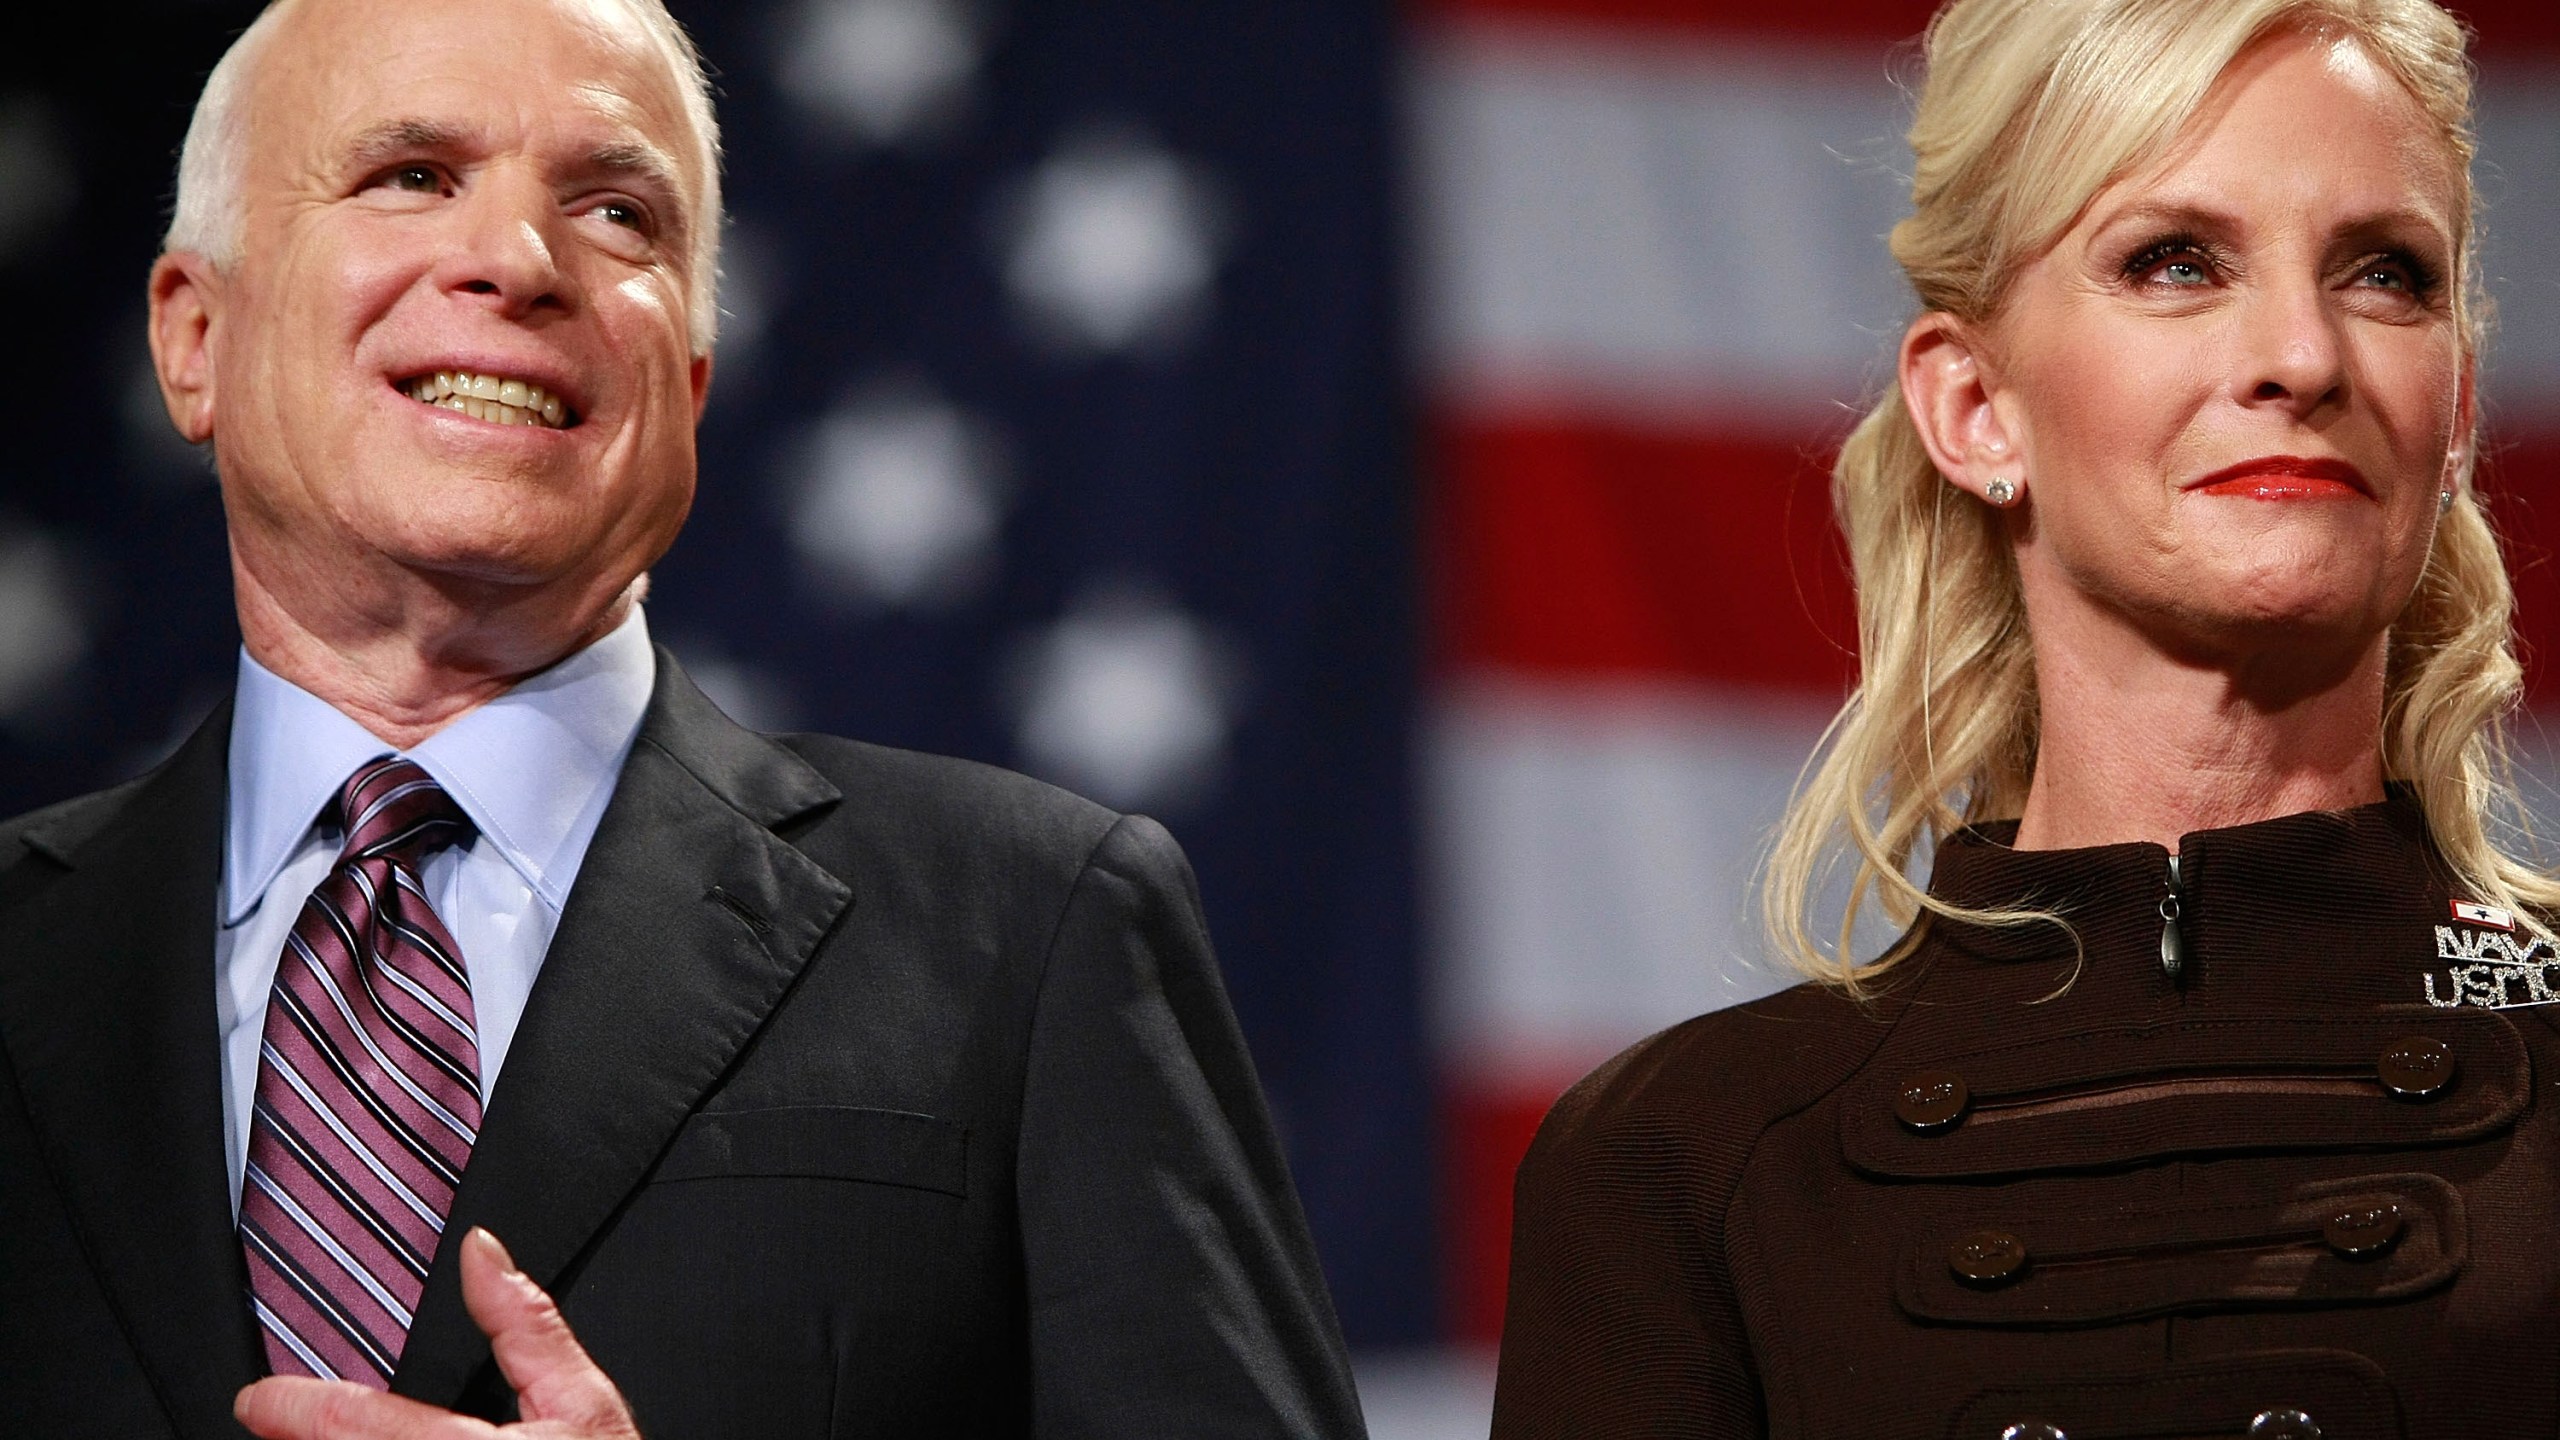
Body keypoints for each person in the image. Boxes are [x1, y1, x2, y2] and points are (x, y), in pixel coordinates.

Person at [0, 1, 1367, 1437]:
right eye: (410, 175)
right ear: (194, 338)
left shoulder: (1031, 934)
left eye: (613, 210)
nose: (518, 262)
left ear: (689, 392)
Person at [1492, 0, 2558, 1433]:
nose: (2304, 357)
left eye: (2386, 274)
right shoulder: (1684, 1165)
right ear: (1974, 405)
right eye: (2175, 263)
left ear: (2455, 414)